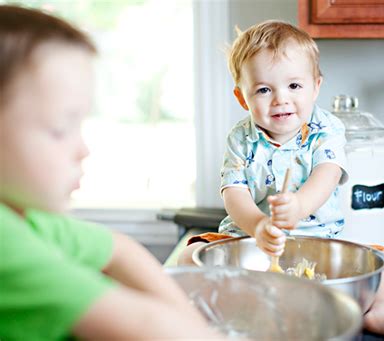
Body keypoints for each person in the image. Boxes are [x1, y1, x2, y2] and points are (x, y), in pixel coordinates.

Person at [179, 20, 384, 341]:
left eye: (294, 86)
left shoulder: (326, 129)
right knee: (190, 256)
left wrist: (299, 205)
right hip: (248, 246)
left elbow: (327, 173)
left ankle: (379, 312)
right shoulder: (240, 138)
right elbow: (234, 192)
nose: (280, 99)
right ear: (242, 98)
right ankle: (221, 313)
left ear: (316, 86)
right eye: (263, 89)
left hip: (321, 245)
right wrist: (257, 225)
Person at [0, 5, 223, 340]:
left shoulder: (27, 219)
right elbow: (146, 326)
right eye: (61, 128)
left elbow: (118, 249)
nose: (83, 149)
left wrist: (196, 326)